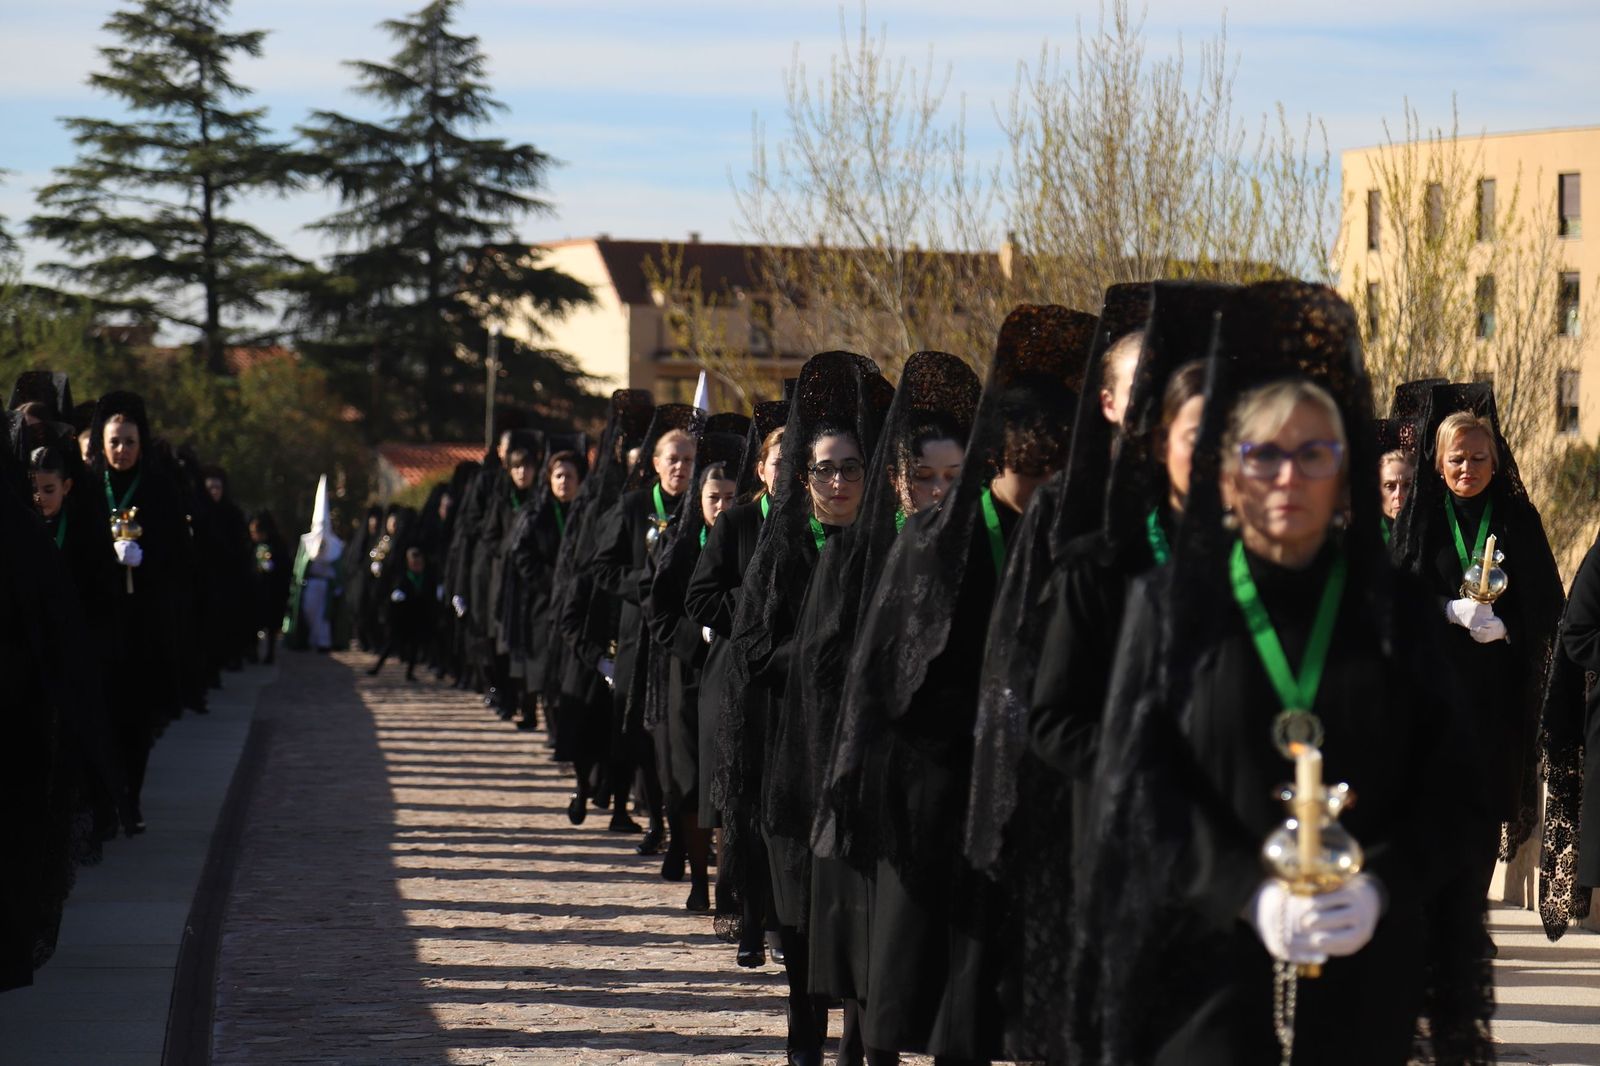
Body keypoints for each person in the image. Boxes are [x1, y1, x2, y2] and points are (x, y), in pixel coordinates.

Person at [1072, 281, 1490, 1065]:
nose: (1289, 477)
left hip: (1362, 964)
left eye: (1313, 454)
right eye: (1264, 455)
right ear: (1230, 474)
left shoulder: (1396, 611)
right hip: (1204, 970)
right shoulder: (1172, 607)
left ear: (1344, 472)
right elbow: (1138, 786)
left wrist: (1381, 885)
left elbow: (1456, 794)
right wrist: (1246, 891)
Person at [827, 307, 1090, 1064]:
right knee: (952, 987)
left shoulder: (1071, 541)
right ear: (996, 459)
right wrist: (986, 715)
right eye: (1033, 472)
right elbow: (893, 682)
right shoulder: (935, 542)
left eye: (1059, 473)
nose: (1046, 488)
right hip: (944, 790)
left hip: (1044, 785)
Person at [778, 351, 981, 1066]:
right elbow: (820, 669)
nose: (937, 492)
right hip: (865, 777)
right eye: (923, 477)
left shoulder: (980, 554)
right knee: (872, 951)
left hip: (949, 782)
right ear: (898, 481)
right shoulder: (854, 555)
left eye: (952, 478)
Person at [685, 403, 788, 962]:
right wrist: (754, 607)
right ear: (761, 468)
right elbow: (699, 597)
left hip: (794, 685)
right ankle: (750, 919)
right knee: (744, 809)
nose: (789, 469)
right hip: (741, 684)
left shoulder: (820, 524)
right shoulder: (738, 522)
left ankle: (782, 920)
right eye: (780, 460)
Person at [589, 407, 705, 856]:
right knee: (643, 737)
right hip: (639, 637)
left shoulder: (703, 506)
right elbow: (602, 567)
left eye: (689, 460)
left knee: (679, 739)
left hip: (683, 637)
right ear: (655, 463)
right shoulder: (634, 507)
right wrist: (647, 583)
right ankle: (656, 821)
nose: (680, 467)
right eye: (673, 459)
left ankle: (686, 831)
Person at [641, 429, 748, 911]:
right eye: (713, 498)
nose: (721, 506)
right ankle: (698, 879)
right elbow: (659, 612)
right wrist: (697, 636)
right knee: (689, 784)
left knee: (725, 782)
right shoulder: (680, 546)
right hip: (685, 676)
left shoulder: (744, 542)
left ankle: (726, 882)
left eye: (729, 498)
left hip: (730, 676)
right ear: (699, 500)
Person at [551, 390, 656, 828]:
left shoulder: (650, 499)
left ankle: (620, 806)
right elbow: (581, 554)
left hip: (631, 604)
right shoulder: (598, 496)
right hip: (594, 597)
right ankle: (583, 785)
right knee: (589, 717)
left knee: (624, 723)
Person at [87, 391, 189, 832]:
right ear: (101, 443)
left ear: (141, 442)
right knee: (103, 715)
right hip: (101, 619)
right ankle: (106, 802)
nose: (122, 450)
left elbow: (180, 552)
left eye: (129, 442)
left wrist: (148, 557)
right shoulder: (89, 485)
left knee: (136, 718)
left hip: (144, 620)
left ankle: (131, 799)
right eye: (114, 442)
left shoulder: (159, 488)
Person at [502, 438, 586, 731]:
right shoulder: (536, 513)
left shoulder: (585, 514)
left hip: (575, 601)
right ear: (549, 479)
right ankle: (550, 723)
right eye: (558, 476)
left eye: (569, 476)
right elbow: (521, 554)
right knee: (543, 665)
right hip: (542, 600)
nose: (564, 482)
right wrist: (551, 580)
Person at [286, 476, 346, 654]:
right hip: (310, 584)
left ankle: (323, 642)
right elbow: (301, 566)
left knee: (324, 616)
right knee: (308, 611)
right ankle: (306, 639)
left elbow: (338, 569)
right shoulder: (306, 542)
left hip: (326, 586)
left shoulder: (335, 544)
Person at [367, 546, 436, 680]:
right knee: (391, 643)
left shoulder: (427, 578)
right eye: (414, 564)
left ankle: (410, 673)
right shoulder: (403, 577)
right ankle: (377, 667)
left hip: (418, 616)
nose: (417, 566)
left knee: (414, 646)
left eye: (419, 564)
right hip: (403, 617)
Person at [248, 511, 291, 665]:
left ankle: (268, 653)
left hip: (271, 592)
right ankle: (255, 652)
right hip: (258, 591)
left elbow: (282, 568)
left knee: (270, 625)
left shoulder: (276, 546)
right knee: (256, 623)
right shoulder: (253, 546)